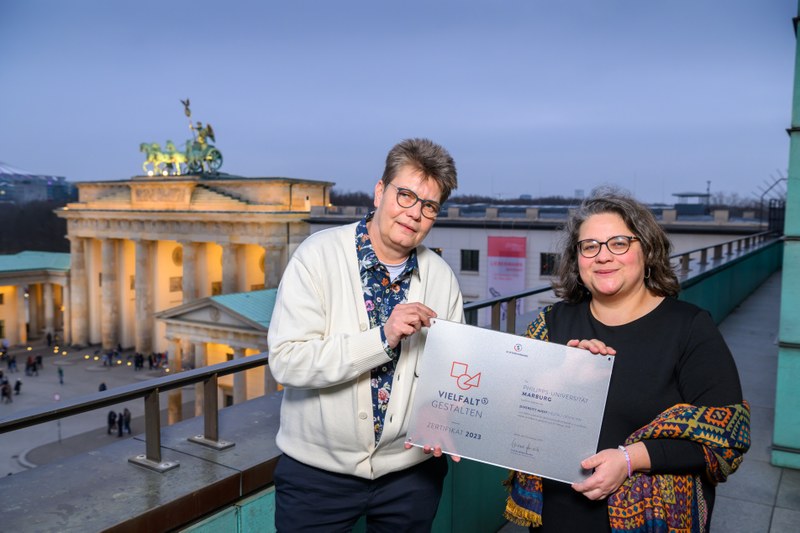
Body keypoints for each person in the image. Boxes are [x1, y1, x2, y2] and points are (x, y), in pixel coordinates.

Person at [504, 190, 750, 532]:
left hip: (655, 522)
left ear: (647, 250)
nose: (603, 256)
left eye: (618, 243)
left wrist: (630, 459)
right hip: (556, 518)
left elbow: (728, 437)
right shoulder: (550, 324)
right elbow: (508, 411)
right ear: (577, 260)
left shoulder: (690, 328)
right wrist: (560, 377)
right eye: (590, 246)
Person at [268, 138, 463, 531]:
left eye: (428, 206)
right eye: (405, 195)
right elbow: (286, 361)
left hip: (411, 476)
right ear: (379, 192)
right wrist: (382, 338)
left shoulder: (442, 279)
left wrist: (445, 418)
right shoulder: (317, 256)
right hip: (316, 475)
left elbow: (453, 373)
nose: (414, 214)